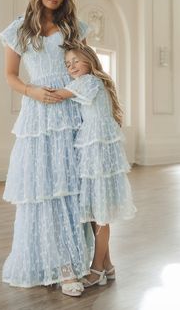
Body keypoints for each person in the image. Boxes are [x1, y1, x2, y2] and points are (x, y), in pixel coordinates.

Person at [0, 0, 93, 297]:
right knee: (42, 189)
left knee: (69, 188)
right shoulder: (20, 29)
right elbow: (10, 76)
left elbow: (84, 69)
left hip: (70, 112)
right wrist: (32, 91)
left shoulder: (74, 28)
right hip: (37, 115)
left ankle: (70, 266)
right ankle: (46, 263)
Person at [54, 44, 137, 287]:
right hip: (94, 152)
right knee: (95, 212)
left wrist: (30, 89)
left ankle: (97, 268)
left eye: (75, 61)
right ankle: (108, 266)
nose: (71, 67)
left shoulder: (88, 82)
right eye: (67, 64)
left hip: (98, 154)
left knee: (100, 216)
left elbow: (59, 95)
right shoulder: (91, 83)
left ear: (89, 61)